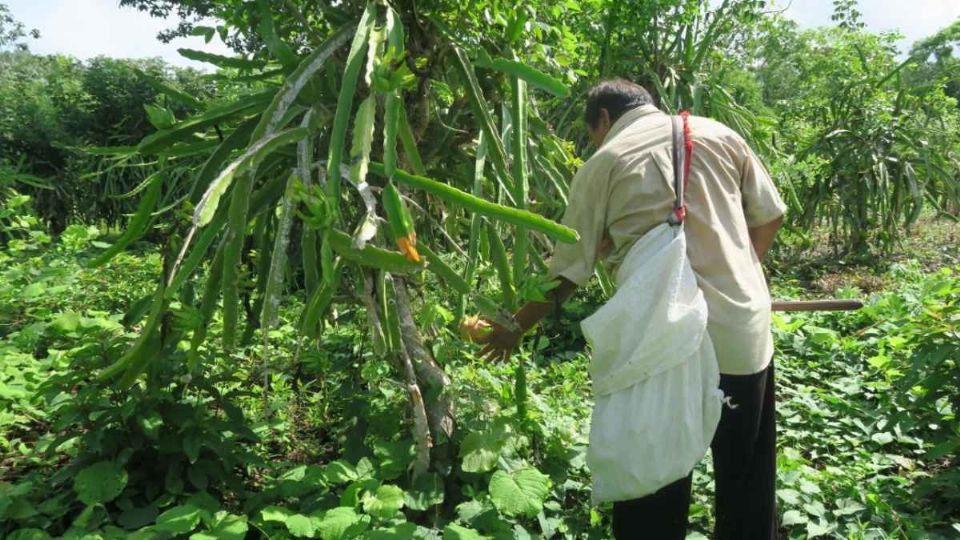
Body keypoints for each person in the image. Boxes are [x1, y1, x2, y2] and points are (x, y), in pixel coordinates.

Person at [477, 79, 787, 539]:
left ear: (602, 119)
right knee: (745, 477)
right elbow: (770, 215)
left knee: (650, 478)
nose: (596, 142)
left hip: (659, 342)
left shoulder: (605, 163)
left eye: (592, 133)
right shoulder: (721, 135)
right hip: (739, 331)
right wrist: (738, 271)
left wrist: (514, 327)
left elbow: (568, 270)